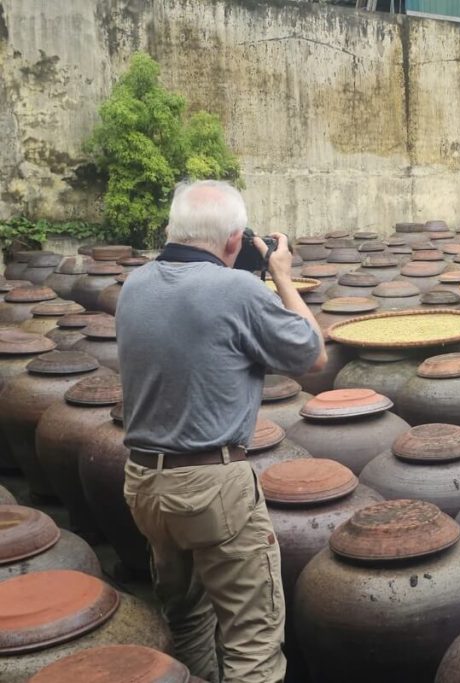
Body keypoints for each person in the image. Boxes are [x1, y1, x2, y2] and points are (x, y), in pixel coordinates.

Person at [117, 180, 327, 683]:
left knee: (186, 618)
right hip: (212, 489)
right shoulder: (237, 291)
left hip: (145, 483)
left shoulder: (135, 285)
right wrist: (281, 275)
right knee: (253, 640)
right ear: (235, 240)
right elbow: (313, 354)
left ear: (173, 229)